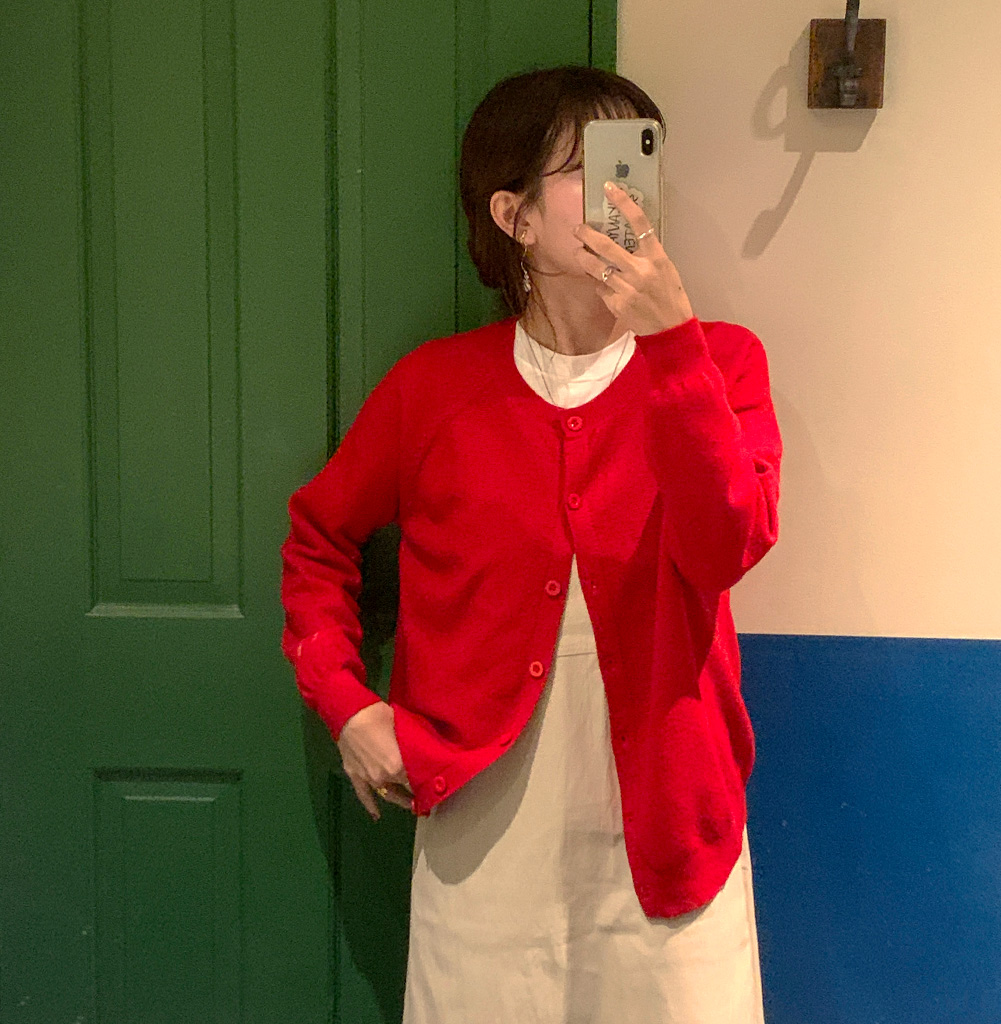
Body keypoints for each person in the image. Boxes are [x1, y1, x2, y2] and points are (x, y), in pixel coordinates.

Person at [281, 65, 782, 1024]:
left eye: (639, 159)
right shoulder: (434, 391)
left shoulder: (720, 362)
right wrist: (346, 704)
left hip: (673, 838)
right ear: (513, 216)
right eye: (592, 168)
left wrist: (672, 344)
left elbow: (727, 547)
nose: (628, 194)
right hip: (484, 842)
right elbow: (318, 541)